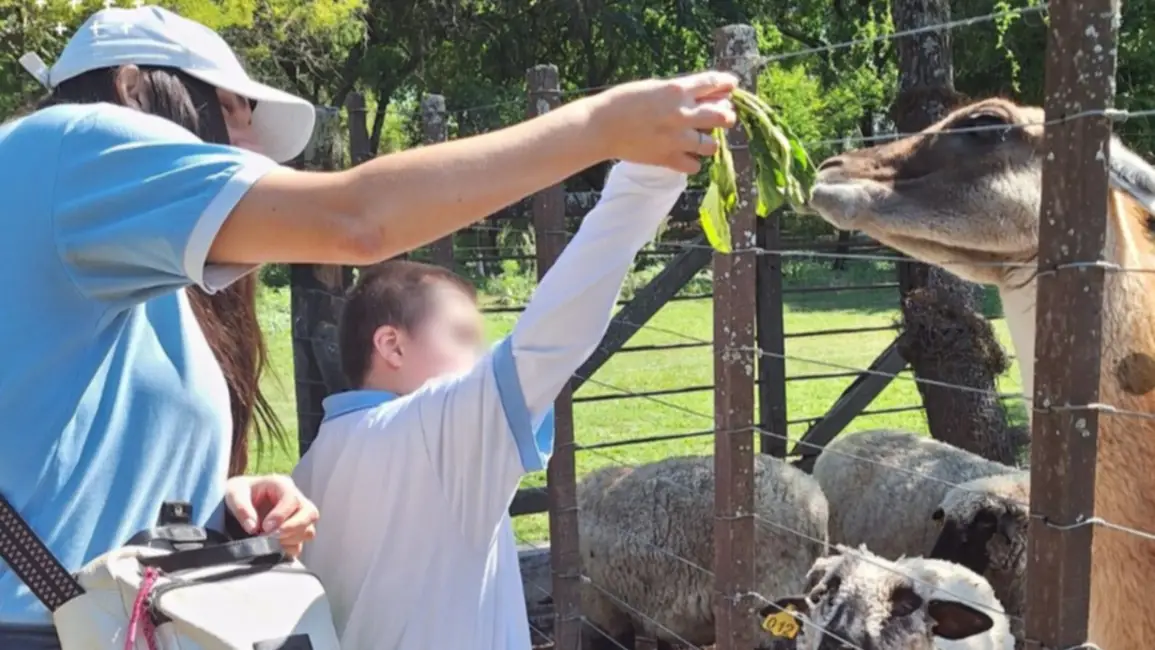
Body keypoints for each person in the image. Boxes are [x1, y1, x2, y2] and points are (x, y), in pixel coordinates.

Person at [0, 3, 736, 647]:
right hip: (42, 627)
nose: (245, 148)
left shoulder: (147, 289)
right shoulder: (69, 145)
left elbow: (70, 466)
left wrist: (224, 506)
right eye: (230, 111)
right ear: (134, 87)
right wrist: (603, 131)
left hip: (119, 623)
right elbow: (357, 221)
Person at [290, 154, 712, 648]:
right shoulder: (438, 432)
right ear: (392, 346)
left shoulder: (314, 465)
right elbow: (552, 336)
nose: (479, 358)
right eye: (463, 336)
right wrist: (651, 172)